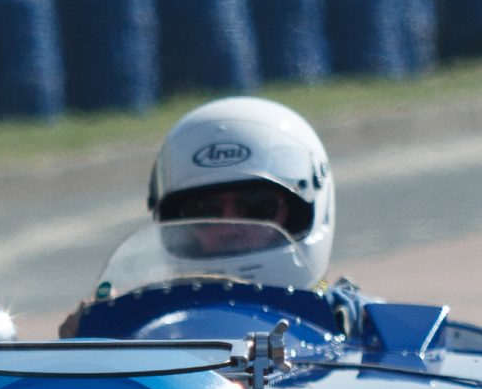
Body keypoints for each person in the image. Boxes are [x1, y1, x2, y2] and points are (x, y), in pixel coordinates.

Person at [61, 95, 338, 333]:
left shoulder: (360, 325)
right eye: (204, 211)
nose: (230, 227)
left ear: (303, 211)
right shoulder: (136, 331)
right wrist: (87, 344)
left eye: (257, 208)